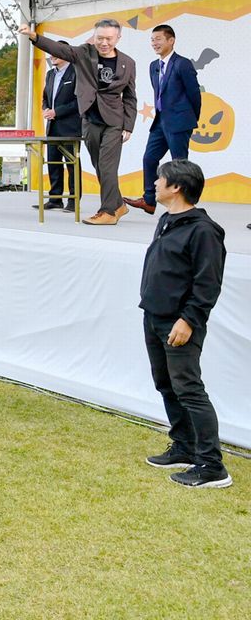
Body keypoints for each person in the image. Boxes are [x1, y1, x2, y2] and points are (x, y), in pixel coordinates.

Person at [139, 160, 229, 488]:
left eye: (160, 179)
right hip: (154, 317)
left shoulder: (203, 230)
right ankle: (185, 446)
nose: (156, 183)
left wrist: (189, 320)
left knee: (189, 389)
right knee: (166, 385)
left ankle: (211, 466)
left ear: (176, 187)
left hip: (179, 324)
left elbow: (208, 283)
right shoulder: (166, 220)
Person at [21, 19, 137, 225]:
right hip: (90, 121)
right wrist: (35, 37)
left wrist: (128, 125)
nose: (104, 42)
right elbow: (61, 49)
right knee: (99, 166)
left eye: (109, 39)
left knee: (108, 166)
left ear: (118, 38)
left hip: (114, 121)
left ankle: (108, 212)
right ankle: (118, 204)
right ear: (94, 36)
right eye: (99, 38)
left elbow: (129, 97)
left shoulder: (128, 63)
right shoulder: (84, 53)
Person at [124, 24, 202, 216]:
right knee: (149, 158)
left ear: (171, 40)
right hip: (160, 122)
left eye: (158, 39)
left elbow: (194, 94)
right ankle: (149, 200)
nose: (154, 43)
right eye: (152, 39)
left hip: (179, 121)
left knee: (180, 164)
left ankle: (184, 205)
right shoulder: (153, 66)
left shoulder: (183, 64)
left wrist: (190, 119)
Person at [33, 54, 80, 212]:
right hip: (52, 127)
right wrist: (46, 108)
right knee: (53, 163)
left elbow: (79, 101)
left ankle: (73, 201)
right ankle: (55, 199)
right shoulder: (50, 74)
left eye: (56, 53)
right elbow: (46, 97)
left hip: (70, 127)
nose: (52, 56)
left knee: (72, 164)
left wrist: (57, 112)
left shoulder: (76, 72)